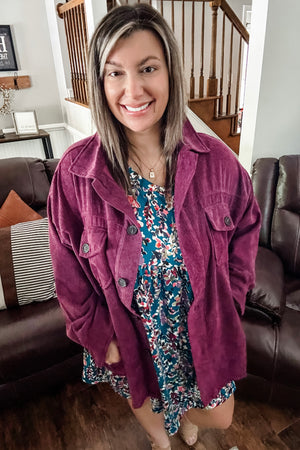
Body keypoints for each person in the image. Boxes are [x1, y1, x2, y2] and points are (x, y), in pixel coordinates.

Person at [48, 4, 261, 450]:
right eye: (114, 73)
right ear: (99, 81)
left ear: (170, 73)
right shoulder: (76, 173)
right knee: (142, 393)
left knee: (220, 416)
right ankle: (159, 440)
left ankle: (184, 417)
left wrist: (232, 299)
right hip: (130, 328)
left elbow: (246, 230)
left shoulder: (218, 162)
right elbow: (65, 266)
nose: (133, 89)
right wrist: (98, 334)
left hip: (198, 327)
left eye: (147, 68)